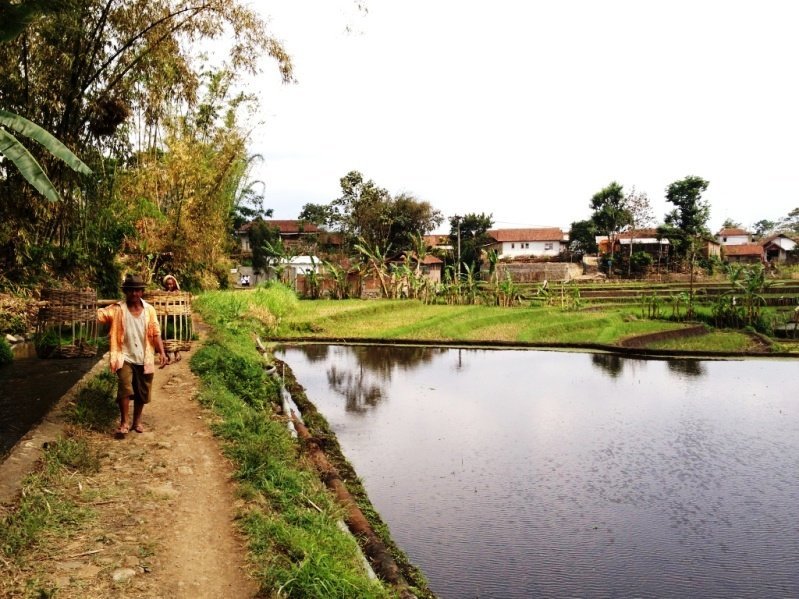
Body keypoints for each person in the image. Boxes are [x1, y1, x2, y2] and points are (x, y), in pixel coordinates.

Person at [97, 273, 166, 436]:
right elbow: (99, 315)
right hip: (124, 356)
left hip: (144, 357)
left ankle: (137, 421)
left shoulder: (149, 311)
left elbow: (156, 333)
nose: (134, 294)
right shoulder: (117, 310)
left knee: (142, 391)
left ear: (142, 292)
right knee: (125, 388)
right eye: (131, 291)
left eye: (137, 291)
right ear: (126, 292)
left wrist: (162, 352)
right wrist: (84, 306)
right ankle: (124, 423)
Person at [161, 274, 182, 364]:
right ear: (165, 284)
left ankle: (176, 354)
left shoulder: (177, 292)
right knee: (165, 335)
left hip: (174, 317)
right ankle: (170, 356)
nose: (169, 286)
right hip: (166, 316)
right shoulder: (163, 292)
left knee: (174, 335)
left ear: (174, 284)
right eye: (168, 284)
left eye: (171, 284)